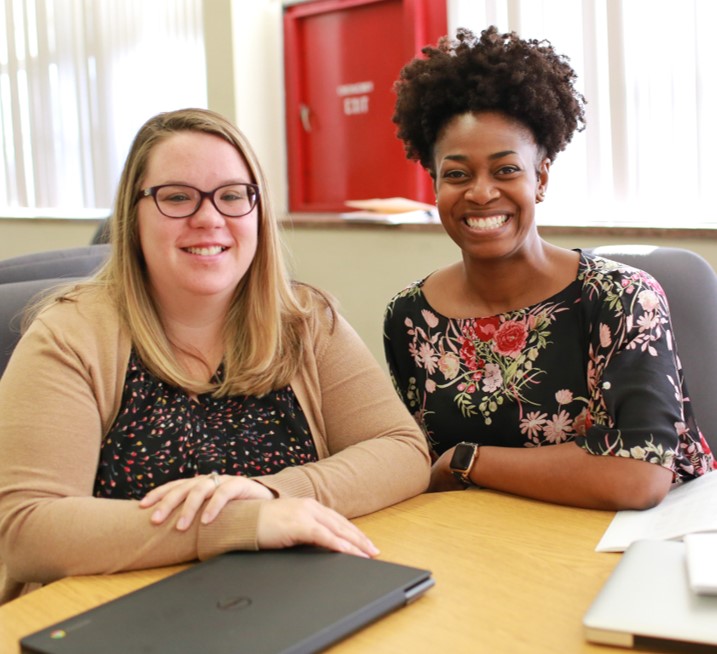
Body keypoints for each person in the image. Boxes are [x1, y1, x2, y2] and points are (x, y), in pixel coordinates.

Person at [0, 108, 430, 604]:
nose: (209, 218)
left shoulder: (305, 319)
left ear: (258, 212)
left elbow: (402, 450)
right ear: (132, 215)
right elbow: (27, 529)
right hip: (115, 612)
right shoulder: (71, 333)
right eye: (177, 197)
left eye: (231, 196)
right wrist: (239, 523)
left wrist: (277, 492)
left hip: (282, 601)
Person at [383, 26, 714, 511]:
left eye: (505, 170)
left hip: (642, 546)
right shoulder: (411, 317)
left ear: (540, 178)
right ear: (434, 185)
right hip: (492, 542)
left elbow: (637, 477)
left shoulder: (621, 299)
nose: (480, 192)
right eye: (456, 174)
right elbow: (417, 460)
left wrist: (467, 460)